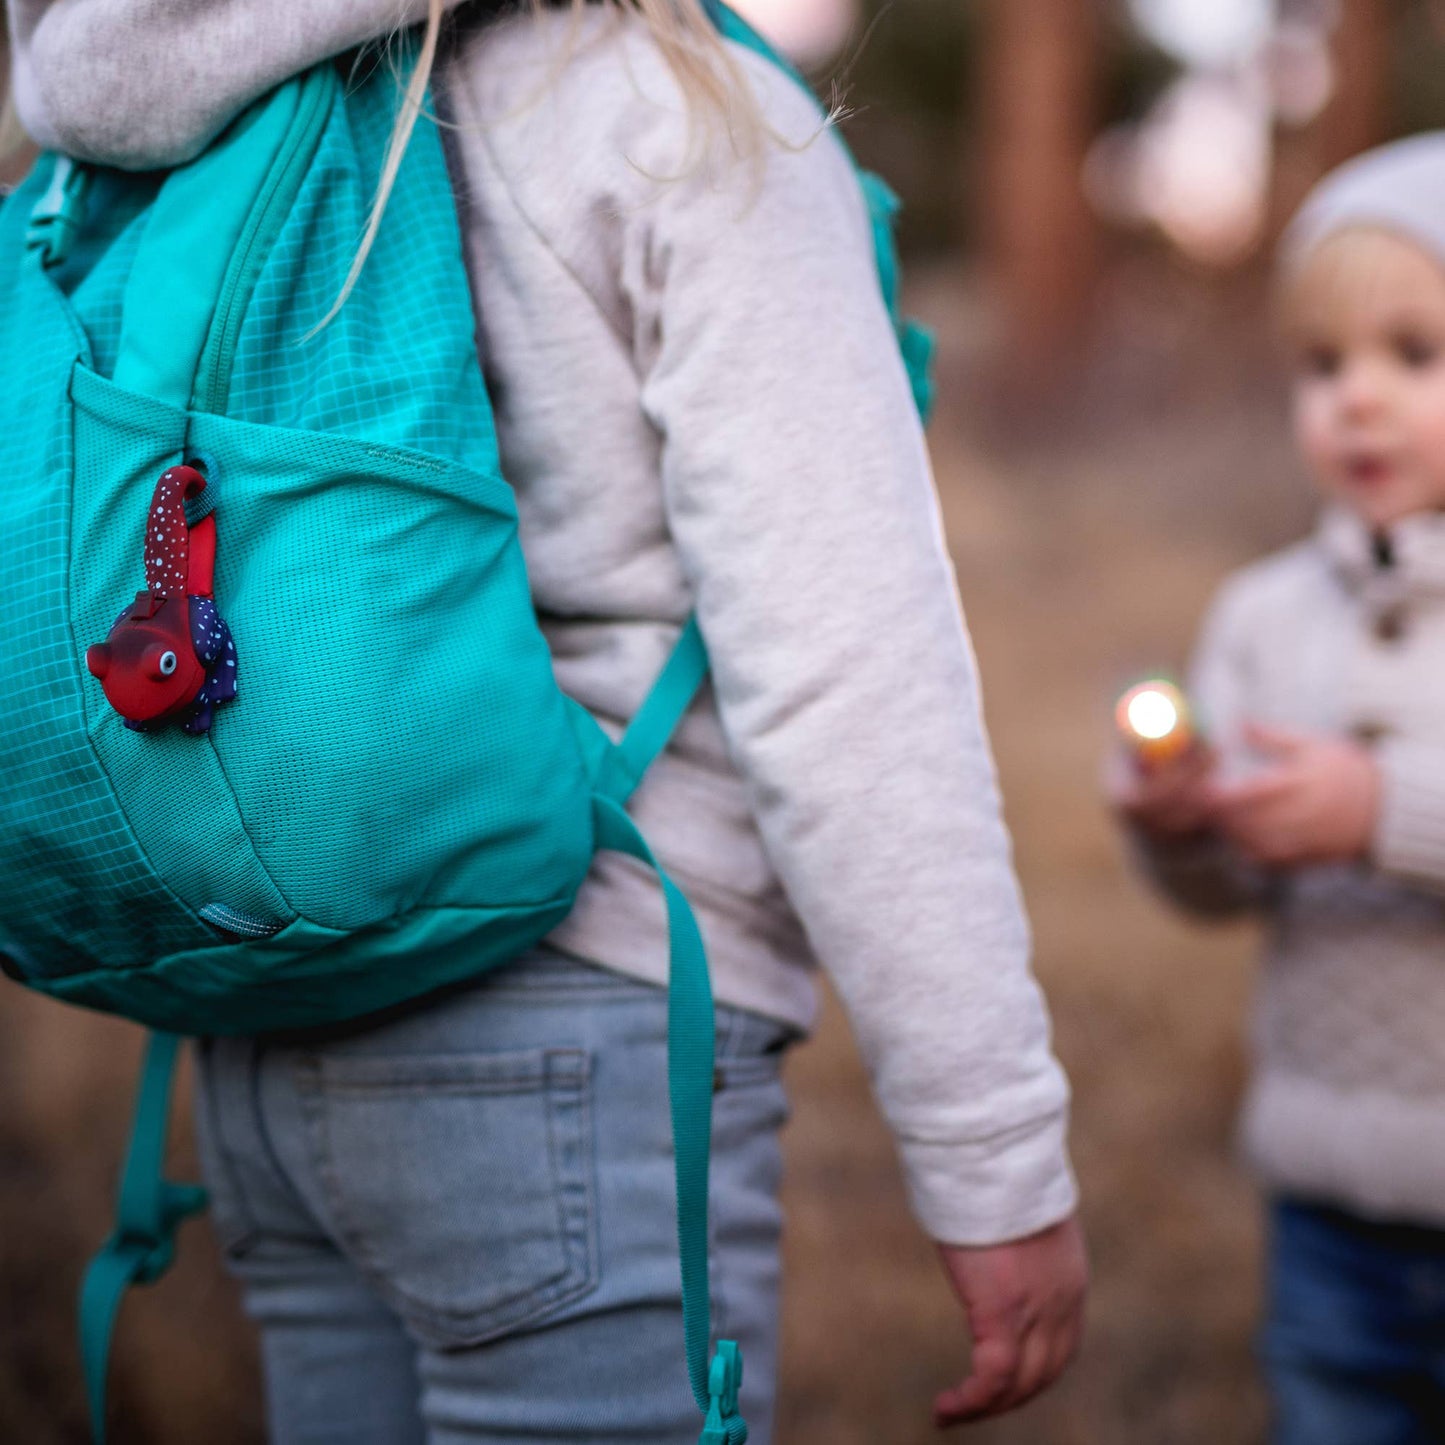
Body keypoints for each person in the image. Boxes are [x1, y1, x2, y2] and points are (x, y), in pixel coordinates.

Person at [4, 2, 1085, 1440]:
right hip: (589, 1015)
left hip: (267, 1014)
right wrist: (989, 1148)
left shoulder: (160, 112)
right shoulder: (672, 115)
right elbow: (844, 665)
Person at [1111, 132, 1445, 1445]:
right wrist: (1184, 823)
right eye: (1321, 364)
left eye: (1412, 356)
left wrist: (1381, 810)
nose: (1354, 400)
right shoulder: (1259, 615)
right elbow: (1220, 894)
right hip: (1323, 1203)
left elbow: (1372, 812)